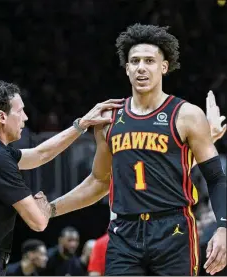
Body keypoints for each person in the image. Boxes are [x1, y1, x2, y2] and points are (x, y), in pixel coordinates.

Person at [34, 24, 227, 276]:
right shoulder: (108, 120)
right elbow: (98, 181)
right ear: (127, 69)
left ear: (164, 67)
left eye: (149, 61)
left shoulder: (186, 115)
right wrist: (52, 208)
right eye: (134, 61)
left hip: (173, 230)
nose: (141, 67)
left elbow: (215, 177)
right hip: (124, 231)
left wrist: (223, 228)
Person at [0, 80, 123, 276]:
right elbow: (38, 222)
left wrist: (82, 124)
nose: (26, 117)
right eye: (20, 111)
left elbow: (40, 154)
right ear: (2, 117)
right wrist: (43, 206)